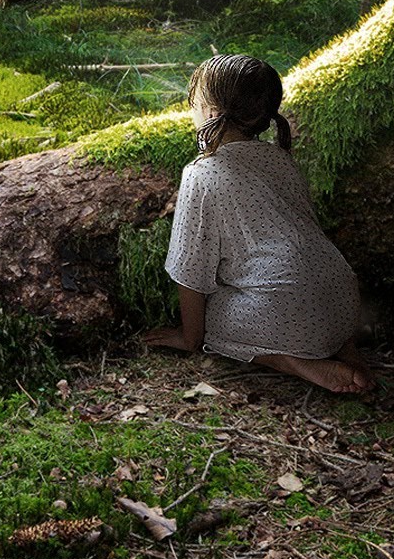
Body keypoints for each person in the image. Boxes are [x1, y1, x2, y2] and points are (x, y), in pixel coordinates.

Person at [143, 54, 376, 394]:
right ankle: (345, 348)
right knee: (303, 300)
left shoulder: (201, 172)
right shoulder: (282, 160)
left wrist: (191, 337)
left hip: (282, 307)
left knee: (217, 319)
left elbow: (190, 268)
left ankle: (297, 362)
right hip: (343, 295)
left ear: (210, 113)